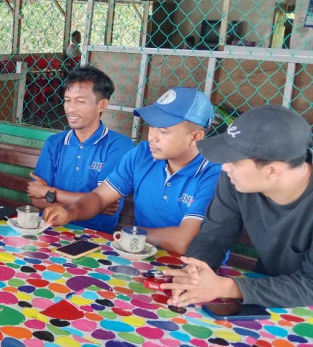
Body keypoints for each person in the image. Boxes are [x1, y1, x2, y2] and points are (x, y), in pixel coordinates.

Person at [42, 87, 221, 254]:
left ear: (195, 137)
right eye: (151, 126)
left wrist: (129, 234)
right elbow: (100, 197)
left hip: (196, 270)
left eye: (164, 131)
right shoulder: (142, 155)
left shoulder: (214, 174)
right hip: (138, 254)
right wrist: (70, 213)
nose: (152, 137)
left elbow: (184, 241)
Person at [165, 106, 313, 308]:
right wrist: (194, 273)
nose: (225, 166)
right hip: (267, 302)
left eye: (234, 161)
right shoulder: (235, 179)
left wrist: (224, 287)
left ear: (272, 171)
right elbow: (213, 237)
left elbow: (310, 286)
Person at [27, 66, 132, 233]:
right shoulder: (54, 143)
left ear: (102, 105)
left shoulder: (118, 146)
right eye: (67, 100)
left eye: (80, 101)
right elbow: (36, 199)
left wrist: (48, 193)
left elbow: (103, 203)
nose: (70, 108)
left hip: (95, 237)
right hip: (50, 229)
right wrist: (93, 205)